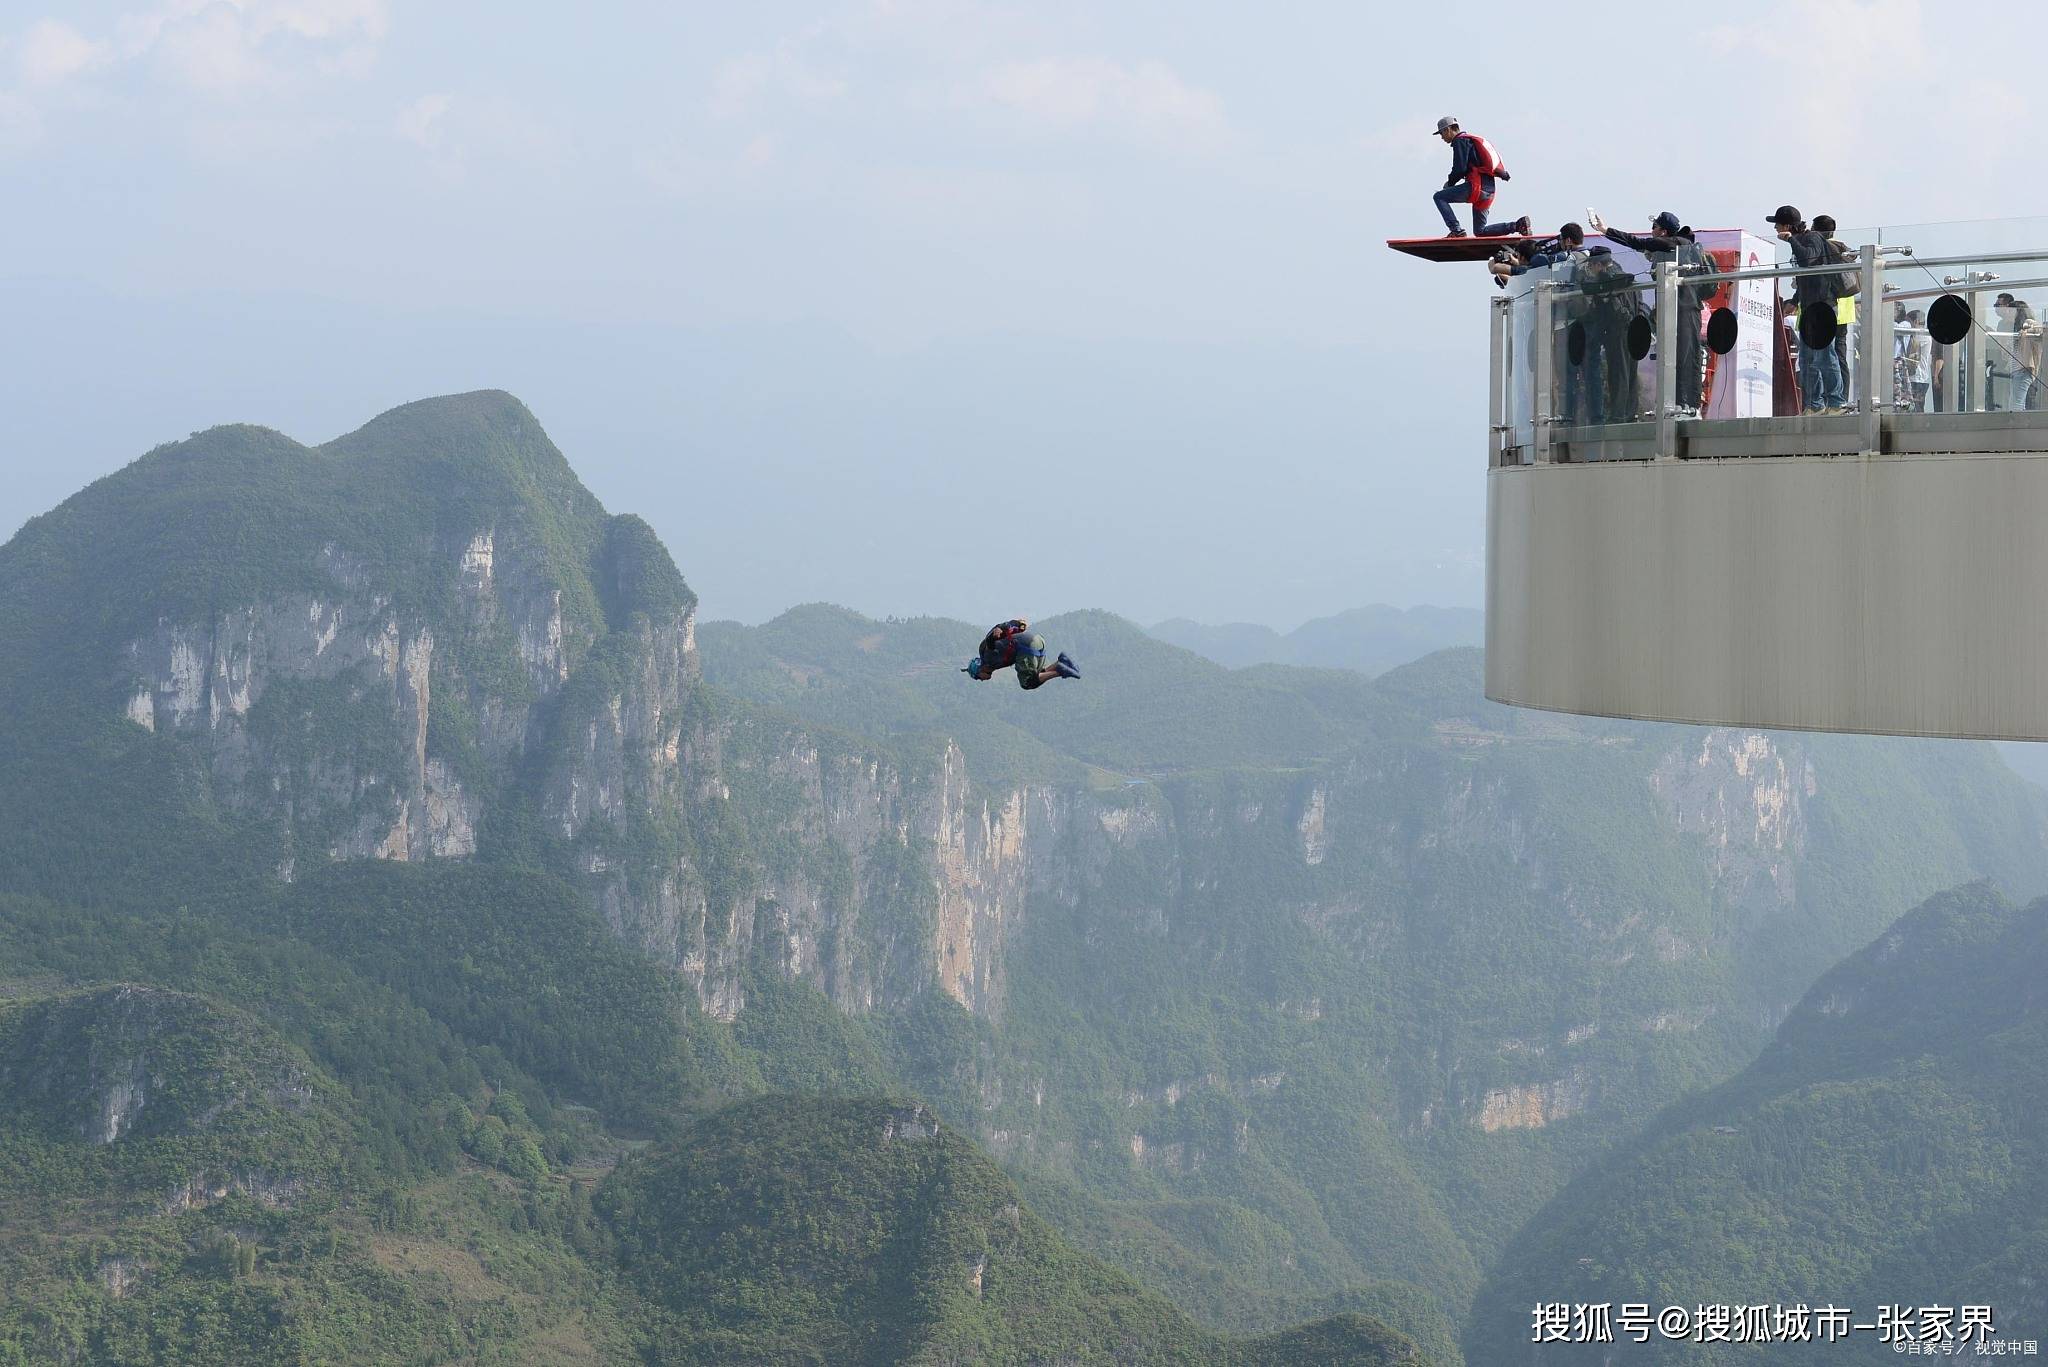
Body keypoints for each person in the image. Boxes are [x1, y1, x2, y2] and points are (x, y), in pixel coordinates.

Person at [1587, 208, 1711, 414]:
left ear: (1663, 232)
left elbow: (1636, 242)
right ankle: (1689, 404)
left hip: (1678, 309)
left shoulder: (1666, 244)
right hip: (1691, 308)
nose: (1651, 231)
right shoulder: (1686, 246)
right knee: (1690, 356)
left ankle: (1678, 404)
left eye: (1654, 227)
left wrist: (1606, 230)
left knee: (1676, 356)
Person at [1770, 204, 1846, 413]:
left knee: (1825, 356)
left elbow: (1809, 259)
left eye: (1777, 225)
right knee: (1806, 359)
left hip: (1823, 306)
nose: (1775, 229)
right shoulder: (1802, 240)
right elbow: (1806, 276)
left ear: (1787, 225)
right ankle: (1814, 404)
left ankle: (1836, 402)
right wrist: (1795, 300)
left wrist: (1792, 240)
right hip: (1810, 307)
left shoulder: (1811, 238)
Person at [1430, 117, 1530, 239]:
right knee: (1480, 231)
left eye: (1441, 133)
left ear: (1448, 129)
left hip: (1476, 187)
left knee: (1439, 197)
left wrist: (1450, 183)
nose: (1442, 137)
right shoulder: (1471, 141)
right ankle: (1518, 226)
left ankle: (1456, 230)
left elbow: (1459, 168)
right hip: (1489, 190)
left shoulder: (1460, 141)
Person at [1576, 245, 1641, 423]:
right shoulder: (1622, 274)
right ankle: (1630, 413)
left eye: (1592, 266)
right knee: (1630, 372)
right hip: (1632, 328)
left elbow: (1616, 307)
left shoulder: (1608, 280)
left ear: (1598, 265)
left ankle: (1618, 414)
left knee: (1618, 372)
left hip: (1618, 330)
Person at [964, 619, 1080, 689]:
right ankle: (1060, 662)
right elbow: (1008, 625)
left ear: (979, 670)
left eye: (979, 678)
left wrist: (994, 634)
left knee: (1027, 683)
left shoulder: (987, 658)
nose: (982, 680)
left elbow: (989, 641)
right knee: (1036, 676)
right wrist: (1018, 624)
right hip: (1038, 641)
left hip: (1027, 647)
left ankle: (1059, 670)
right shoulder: (992, 662)